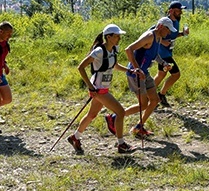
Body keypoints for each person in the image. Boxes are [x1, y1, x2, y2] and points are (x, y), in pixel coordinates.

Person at [67, 24, 137, 154]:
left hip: (103, 88)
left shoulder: (114, 49)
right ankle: (121, 144)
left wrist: (130, 70)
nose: (119, 39)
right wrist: (90, 86)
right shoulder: (99, 51)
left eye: (119, 36)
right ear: (108, 37)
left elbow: (114, 65)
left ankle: (75, 138)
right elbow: (81, 67)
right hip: (98, 89)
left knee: (91, 115)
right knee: (120, 112)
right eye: (116, 36)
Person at [119, 17, 177, 139]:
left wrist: (164, 63)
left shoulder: (159, 37)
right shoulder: (149, 36)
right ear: (161, 26)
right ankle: (115, 117)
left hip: (145, 73)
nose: (169, 33)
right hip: (136, 74)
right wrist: (137, 68)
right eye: (167, 30)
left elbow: (155, 55)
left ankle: (139, 127)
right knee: (143, 104)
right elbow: (128, 49)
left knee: (155, 100)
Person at [155, 1, 189, 108]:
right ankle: (160, 95)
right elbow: (153, 33)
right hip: (163, 53)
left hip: (167, 52)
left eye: (181, 10)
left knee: (161, 74)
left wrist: (183, 34)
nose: (180, 12)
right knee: (176, 74)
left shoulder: (176, 21)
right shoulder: (165, 21)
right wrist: (162, 41)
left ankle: (150, 95)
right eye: (178, 10)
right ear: (171, 11)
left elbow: (173, 36)